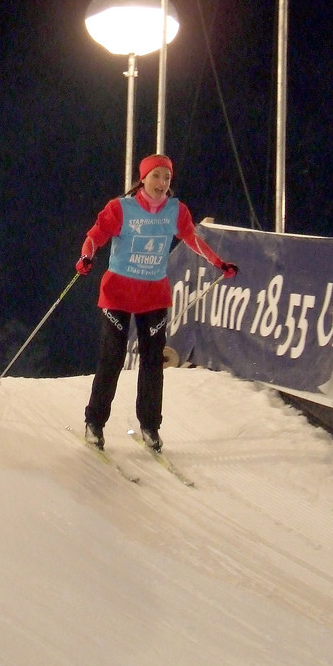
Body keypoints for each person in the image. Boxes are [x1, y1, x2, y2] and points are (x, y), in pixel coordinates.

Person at [75, 154, 238, 452]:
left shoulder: (176, 211)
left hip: (153, 296)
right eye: (156, 176)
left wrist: (219, 262)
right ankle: (94, 422)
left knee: (153, 361)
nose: (162, 183)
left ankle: (150, 426)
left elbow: (192, 239)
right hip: (118, 294)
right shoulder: (120, 208)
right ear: (143, 178)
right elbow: (94, 237)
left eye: (167, 178)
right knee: (113, 357)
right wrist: (86, 256)